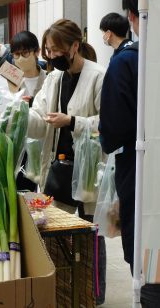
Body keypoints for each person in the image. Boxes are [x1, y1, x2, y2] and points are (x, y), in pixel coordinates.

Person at [27, 19, 106, 304]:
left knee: (90, 234)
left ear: (75, 46)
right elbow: (38, 120)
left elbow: (107, 123)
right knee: (53, 230)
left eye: (57, 50)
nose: (52, 56)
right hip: (57, 167)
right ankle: (60, 288)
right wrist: (19, 114)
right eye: (48, 51)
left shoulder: (98, 76)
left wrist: (72, 121)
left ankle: (94, 293)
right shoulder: (53, 79)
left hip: (86, 170)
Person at [99, 1, 160, 306]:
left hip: (141, 167)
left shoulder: (126, 62)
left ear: (133, 17)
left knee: (146, 251)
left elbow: (112, 126)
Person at [10, 30, 47, 192]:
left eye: (25, 53)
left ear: (37, 52)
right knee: (23, 193)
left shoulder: (49, 79)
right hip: (18, 148)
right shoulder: (10, 82)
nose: (20, 58)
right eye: (16, 54)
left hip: (43, 144)